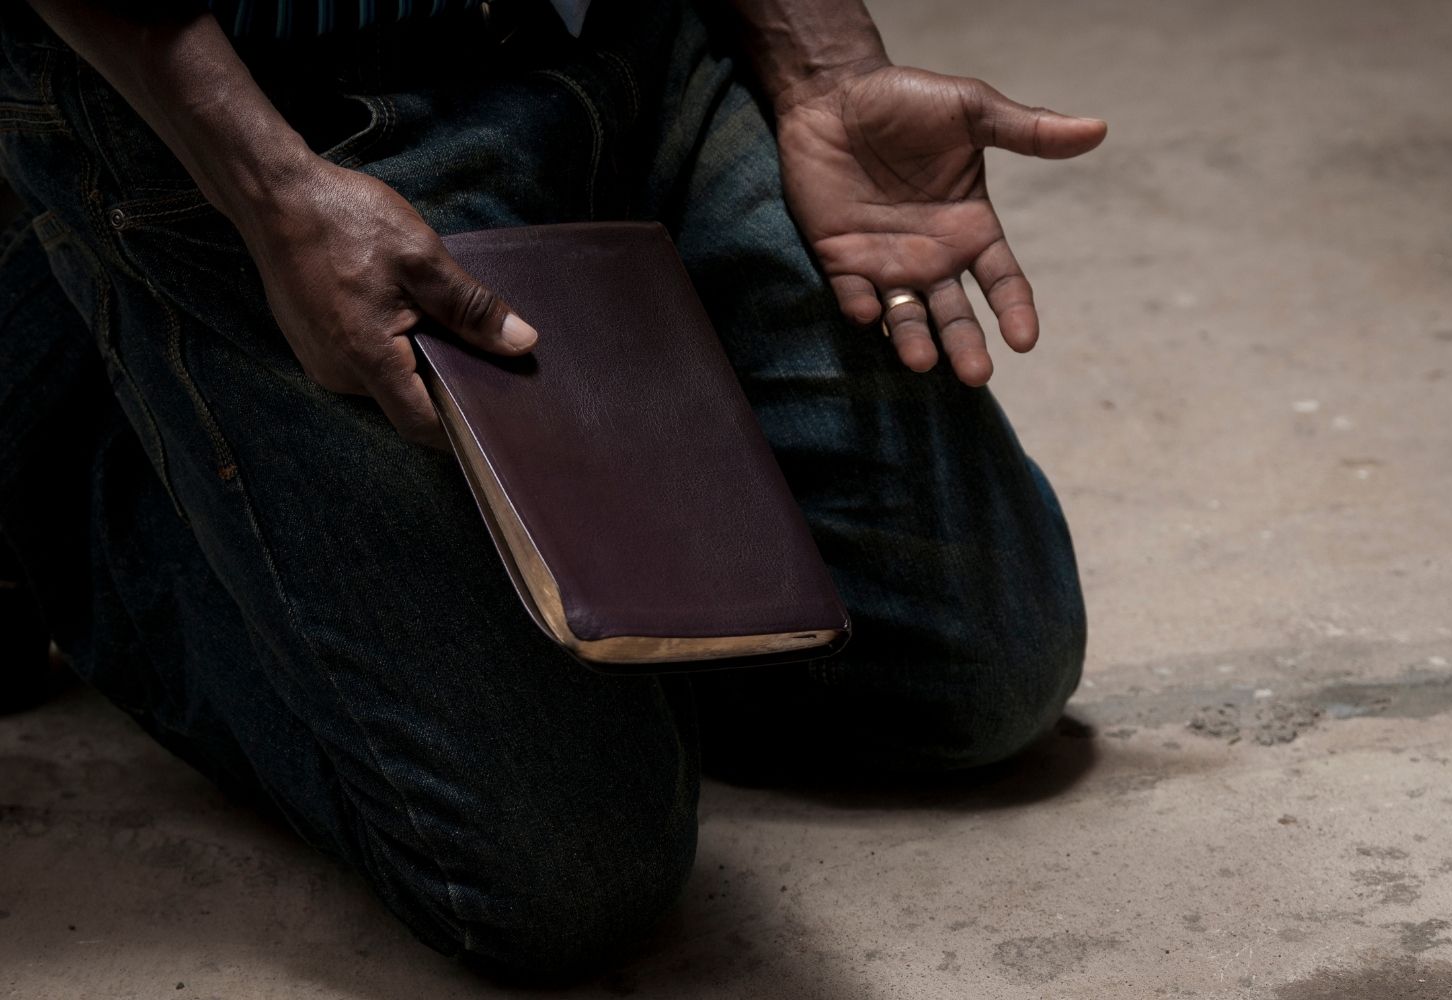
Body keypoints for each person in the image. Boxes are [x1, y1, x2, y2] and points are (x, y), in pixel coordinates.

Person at [0, 0, 1103, 980]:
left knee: (980, 671)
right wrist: (270, 189)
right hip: (282, 108)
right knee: (568, 875)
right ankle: (60, 366)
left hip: (617, 31)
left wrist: (824, 65)